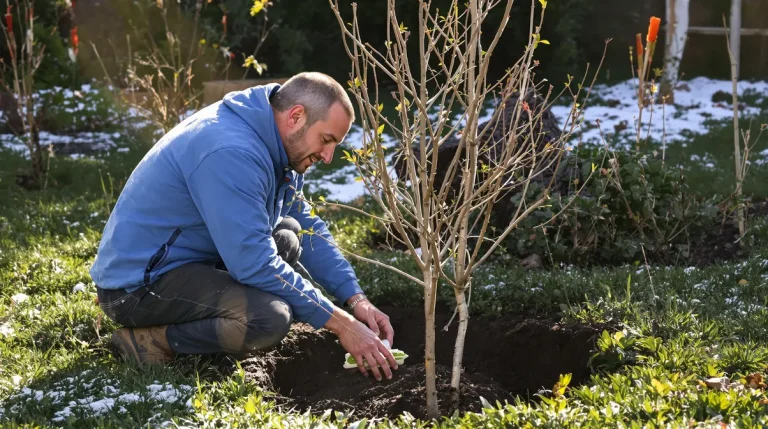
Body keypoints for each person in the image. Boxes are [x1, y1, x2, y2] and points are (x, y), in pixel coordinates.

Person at [90, 72, 398, 381]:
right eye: (326, 140)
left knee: (288, 234)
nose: (329, 157)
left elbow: (306, 225)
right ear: (296, 116)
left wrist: (356, 300)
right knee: (269, 318)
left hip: (186, 261)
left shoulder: (277, 143)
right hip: (137, 286)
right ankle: (150, 342)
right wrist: (343, 325)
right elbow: (254, 263)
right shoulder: (232, 152)